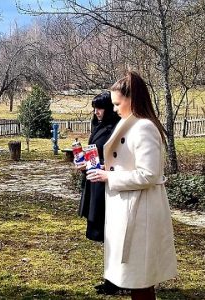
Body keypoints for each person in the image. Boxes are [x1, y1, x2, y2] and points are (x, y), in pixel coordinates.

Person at [87, 71, 177, 300]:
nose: (115, 109)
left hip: (140, 212)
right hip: (129, 209)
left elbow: (149, 174)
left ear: (132, 99)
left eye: (117, 103)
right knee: (136, 277)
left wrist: (110, 178)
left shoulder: (144, 127)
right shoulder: (130, 124)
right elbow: (124, 163)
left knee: (140, 278)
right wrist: (102, 171)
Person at [76, 91, 121, 294]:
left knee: (112, 233)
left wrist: (101, 166)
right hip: (95, 183)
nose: (97, 112)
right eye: (95, 108)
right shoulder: (98, 125)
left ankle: (117, 281)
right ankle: (111, 279)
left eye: (100, 108)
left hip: (109, 185)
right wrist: (84, 163)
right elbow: (94, 151)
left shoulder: (117, 128)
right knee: (105, 234)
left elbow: (118, 159)